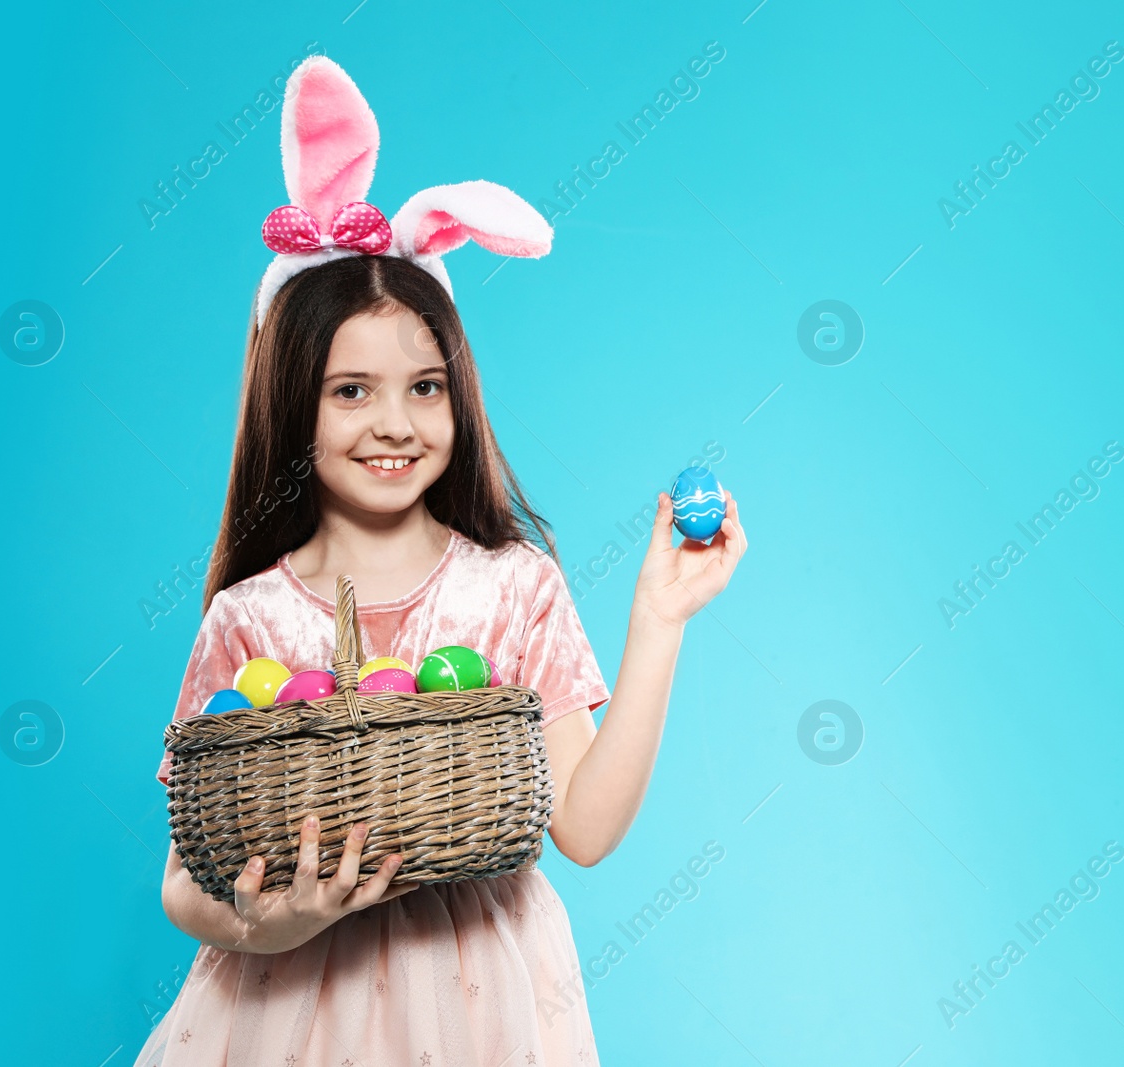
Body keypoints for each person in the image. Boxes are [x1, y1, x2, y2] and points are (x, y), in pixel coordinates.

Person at [135, 57, 746, 1067]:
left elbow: (583, 828)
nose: (395, 423)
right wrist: (270, 928)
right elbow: (182, 879)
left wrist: (659, 619)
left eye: (425, 387)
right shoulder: (249, 617)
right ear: (292, 404)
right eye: (350, 391)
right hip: (285, 1011)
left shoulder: (509, 587)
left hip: (479, 1007)